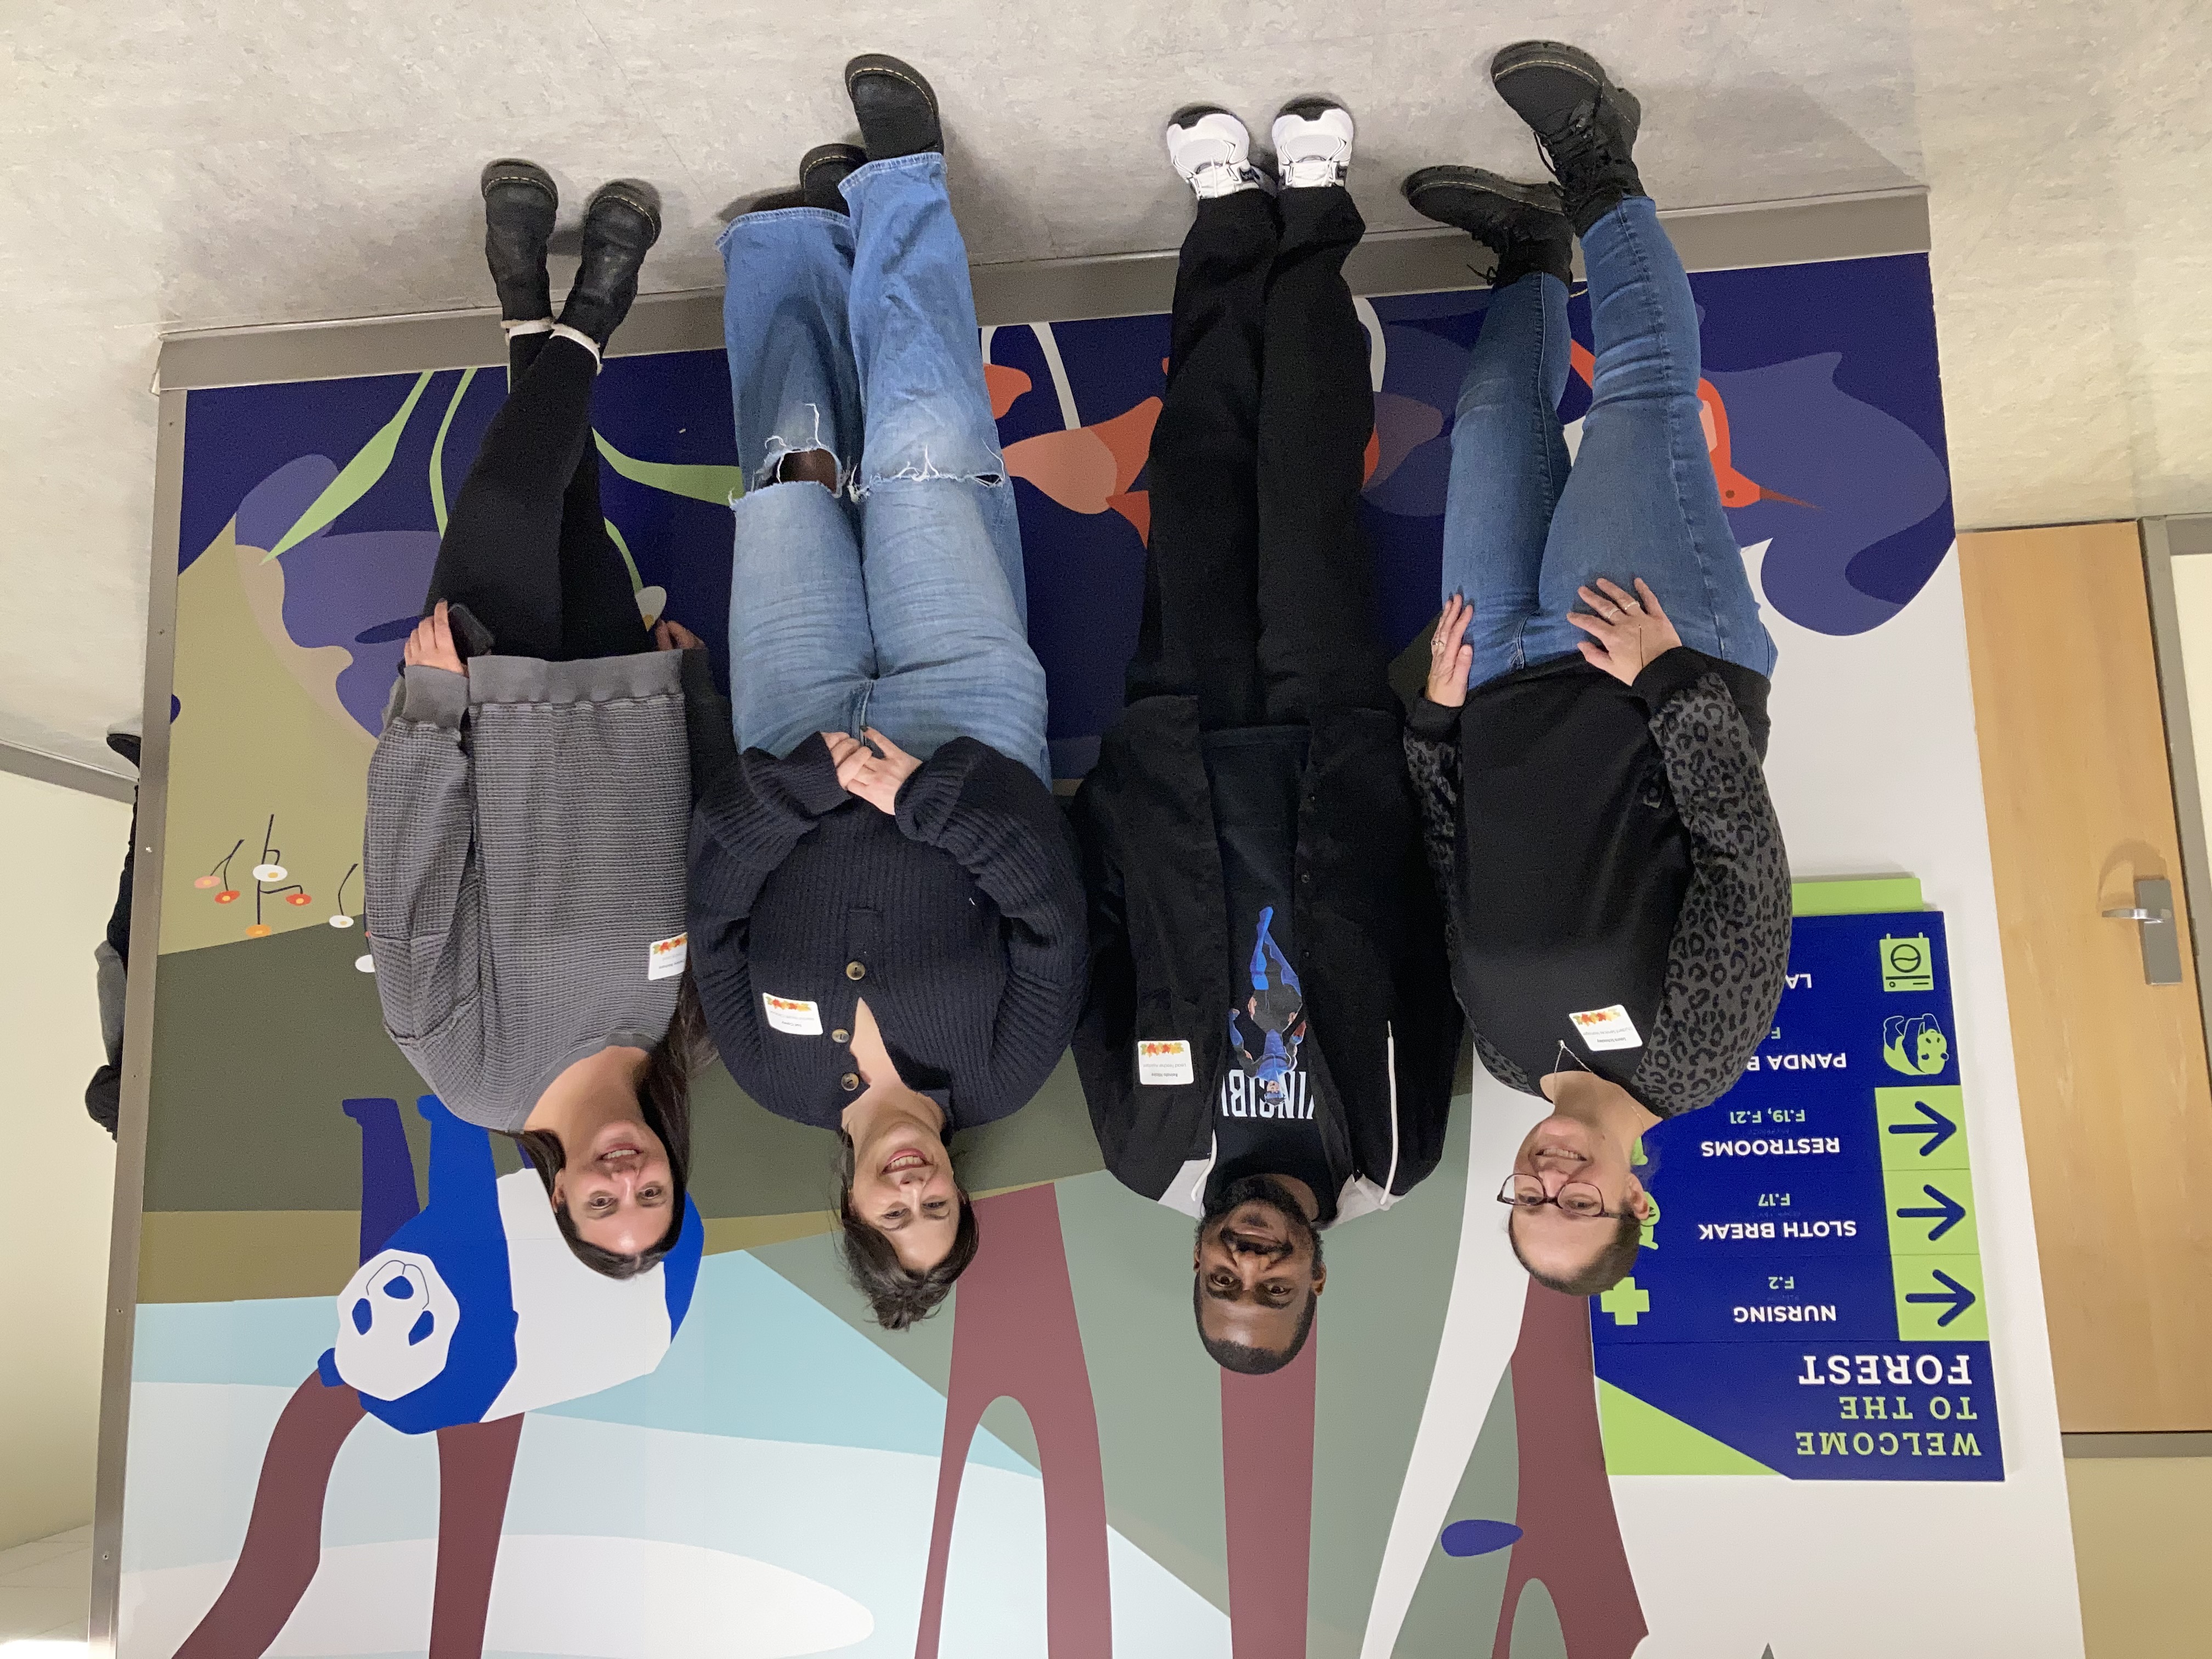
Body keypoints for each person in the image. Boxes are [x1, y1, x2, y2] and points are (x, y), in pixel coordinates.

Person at [687, 55, 1086, 1331]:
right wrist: (925, 796)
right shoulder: (1005, 1071)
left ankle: (800, 243)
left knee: (790, 473)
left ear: (852, 1205)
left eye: (892, 1216)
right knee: (925, 448)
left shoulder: (772, 1074)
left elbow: (714, 906)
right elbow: (1050, 908)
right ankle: (904, 180)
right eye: (938, 1211)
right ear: (960, 1192)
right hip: (969, 723)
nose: (914, 1192)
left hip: (789, 734)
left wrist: (804, 783)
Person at [1072, 98, 1462, 1375]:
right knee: (1305, 482)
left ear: (1198, 1265)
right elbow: (1437, 947)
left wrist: (1116, 803)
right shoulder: (1395, 1152)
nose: (1249, 1260)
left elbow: (1093, 961)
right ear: (1317, 1280)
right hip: (1330, 753)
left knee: (1193, 474)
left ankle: (1227, 217)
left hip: (1181, 751)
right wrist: (1423, 760)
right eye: (1272, 1286)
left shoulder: (1146, 1156)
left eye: (1225, 1282)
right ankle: (1314, 212)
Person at [1399, 42, 1791, 1299]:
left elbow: (1457, 868)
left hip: (1501, 674)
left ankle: (1529, 252)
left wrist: (1435, 726)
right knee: (1641, 395)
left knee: (1492, 427)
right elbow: (1742, 858)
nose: (1552, 1181)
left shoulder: (1508, 1057)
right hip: (1642, 653)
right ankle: (1594, 160)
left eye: (1531, 1202)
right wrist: (1671, 679)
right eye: (1580, 1206)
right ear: (1636, 1199)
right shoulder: (1696, 1061)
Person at [365, 161, 710, 1280]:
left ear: (558, 1196)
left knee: (507, 497)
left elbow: (411, 897)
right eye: (650, 1195)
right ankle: (523, 298)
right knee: (568, 499)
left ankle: (595, 300)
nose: (625, 1178)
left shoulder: (473, 1077)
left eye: (602, 1204)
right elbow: (703, 843)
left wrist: (430, 718)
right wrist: (695, 699)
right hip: (622, 702)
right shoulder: (678, 1034)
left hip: (494, 707)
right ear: (671, 1170)